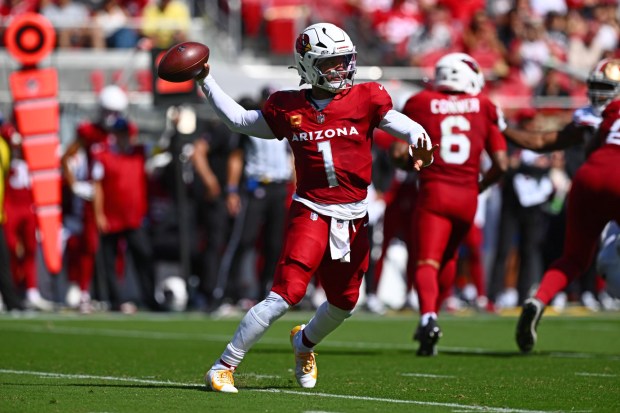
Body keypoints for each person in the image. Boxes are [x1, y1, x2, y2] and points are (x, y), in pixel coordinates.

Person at [197, 22, 436, 393]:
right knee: (285, 293)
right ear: (308, 65)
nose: (342, 70)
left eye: (345, 61)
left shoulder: (366, 97)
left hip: (355, 214)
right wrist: (206, 81)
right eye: (332, 63)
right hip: (311, 209)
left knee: (345, 303)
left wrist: (420, 138)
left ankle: (304, 343)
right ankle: (224, 364)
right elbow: (240, 121)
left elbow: (398, 122)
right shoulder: (288, 105)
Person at [508, 58, 620, 353]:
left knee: (573, 258)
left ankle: (539, 298)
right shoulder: (603, 113)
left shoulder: (597, 116)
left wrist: (502, 129)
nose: (598, 94)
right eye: (594, 87)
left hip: (586, 179)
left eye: (604, 87)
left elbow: (552, 142)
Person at [400, 52, 508, 356]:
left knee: (426, 261)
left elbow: (399, 153)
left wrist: (412, 162)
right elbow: (501, 162)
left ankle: (428, 317)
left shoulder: (420, 102)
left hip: (435, 192)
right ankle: (435, 314)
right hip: (467, 197)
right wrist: (480, 185)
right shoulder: (484, 105)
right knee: (448, 259)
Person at [218, 90, 294, 309]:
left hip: (279, 188)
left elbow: (292, 157)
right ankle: (227, 293)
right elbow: (237, 158)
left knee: (274, 244)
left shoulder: (286, 124)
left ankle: (265, 292)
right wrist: (232, 190)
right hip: (256, 187)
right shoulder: (253, 123)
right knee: (243, 240)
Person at [61, 84, 128, 313]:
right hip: (96, 196)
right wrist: (75, 185)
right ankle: (84, 293)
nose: (112, 117)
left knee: (117, 248)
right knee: (90, 246)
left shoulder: (124, 130)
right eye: (108, 111)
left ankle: (109, 295)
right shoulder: (89, 132)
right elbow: (66, 157)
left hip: (116, 197)